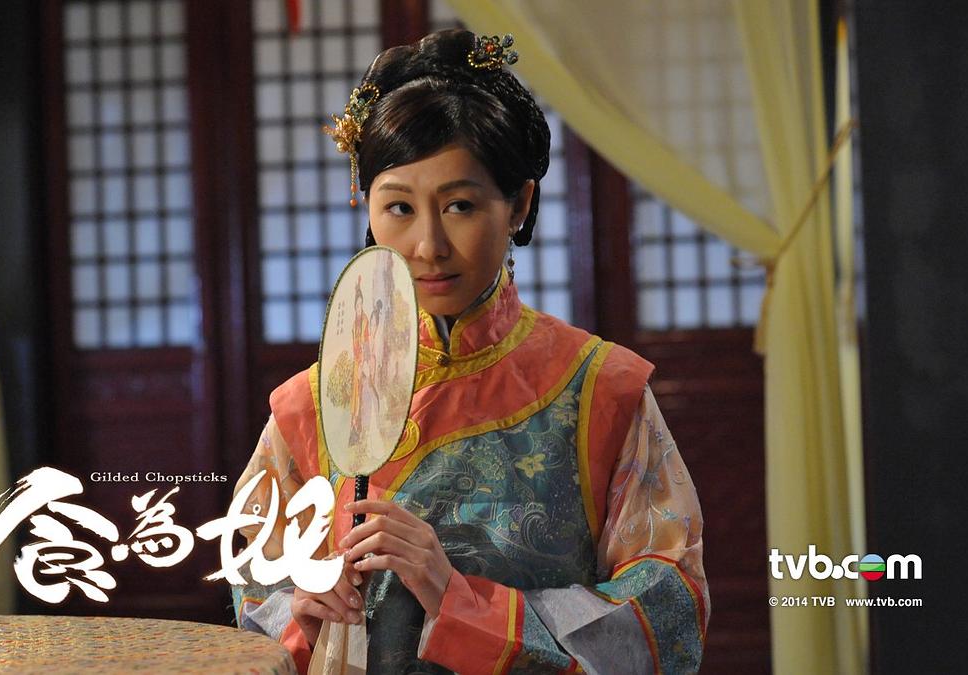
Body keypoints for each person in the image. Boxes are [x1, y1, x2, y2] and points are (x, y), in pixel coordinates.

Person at [231, 29, 709, 674]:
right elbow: (255, 590)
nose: (428, 245)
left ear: (519, 205)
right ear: (367, 209)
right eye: (399, 207)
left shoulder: (600, 390)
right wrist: (304, 611)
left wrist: (458, 601)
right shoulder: (311, 405)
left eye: (459, 205)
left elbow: (668, 607)